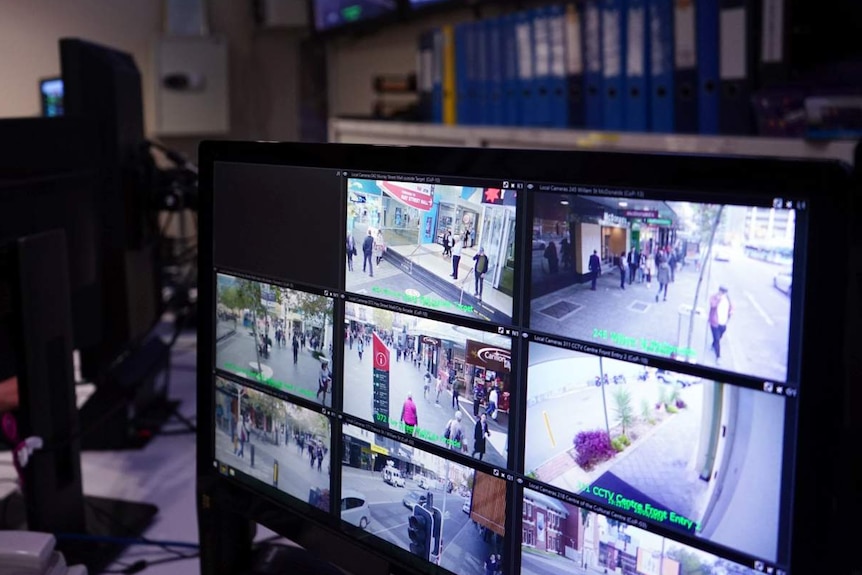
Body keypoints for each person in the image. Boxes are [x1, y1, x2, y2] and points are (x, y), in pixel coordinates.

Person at [709, 286, 733, 363]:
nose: (722, 294)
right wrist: (718, 299)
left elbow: (731, 307)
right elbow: (712, 305)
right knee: (717, 339)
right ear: (719, 291)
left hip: (723, 323)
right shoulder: (714, 297)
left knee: (719, 337)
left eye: (724, 292)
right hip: (715, 322)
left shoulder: (728, 299)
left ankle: (713, 345)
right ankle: (718, 357)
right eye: (721, 291)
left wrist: (731, 312)